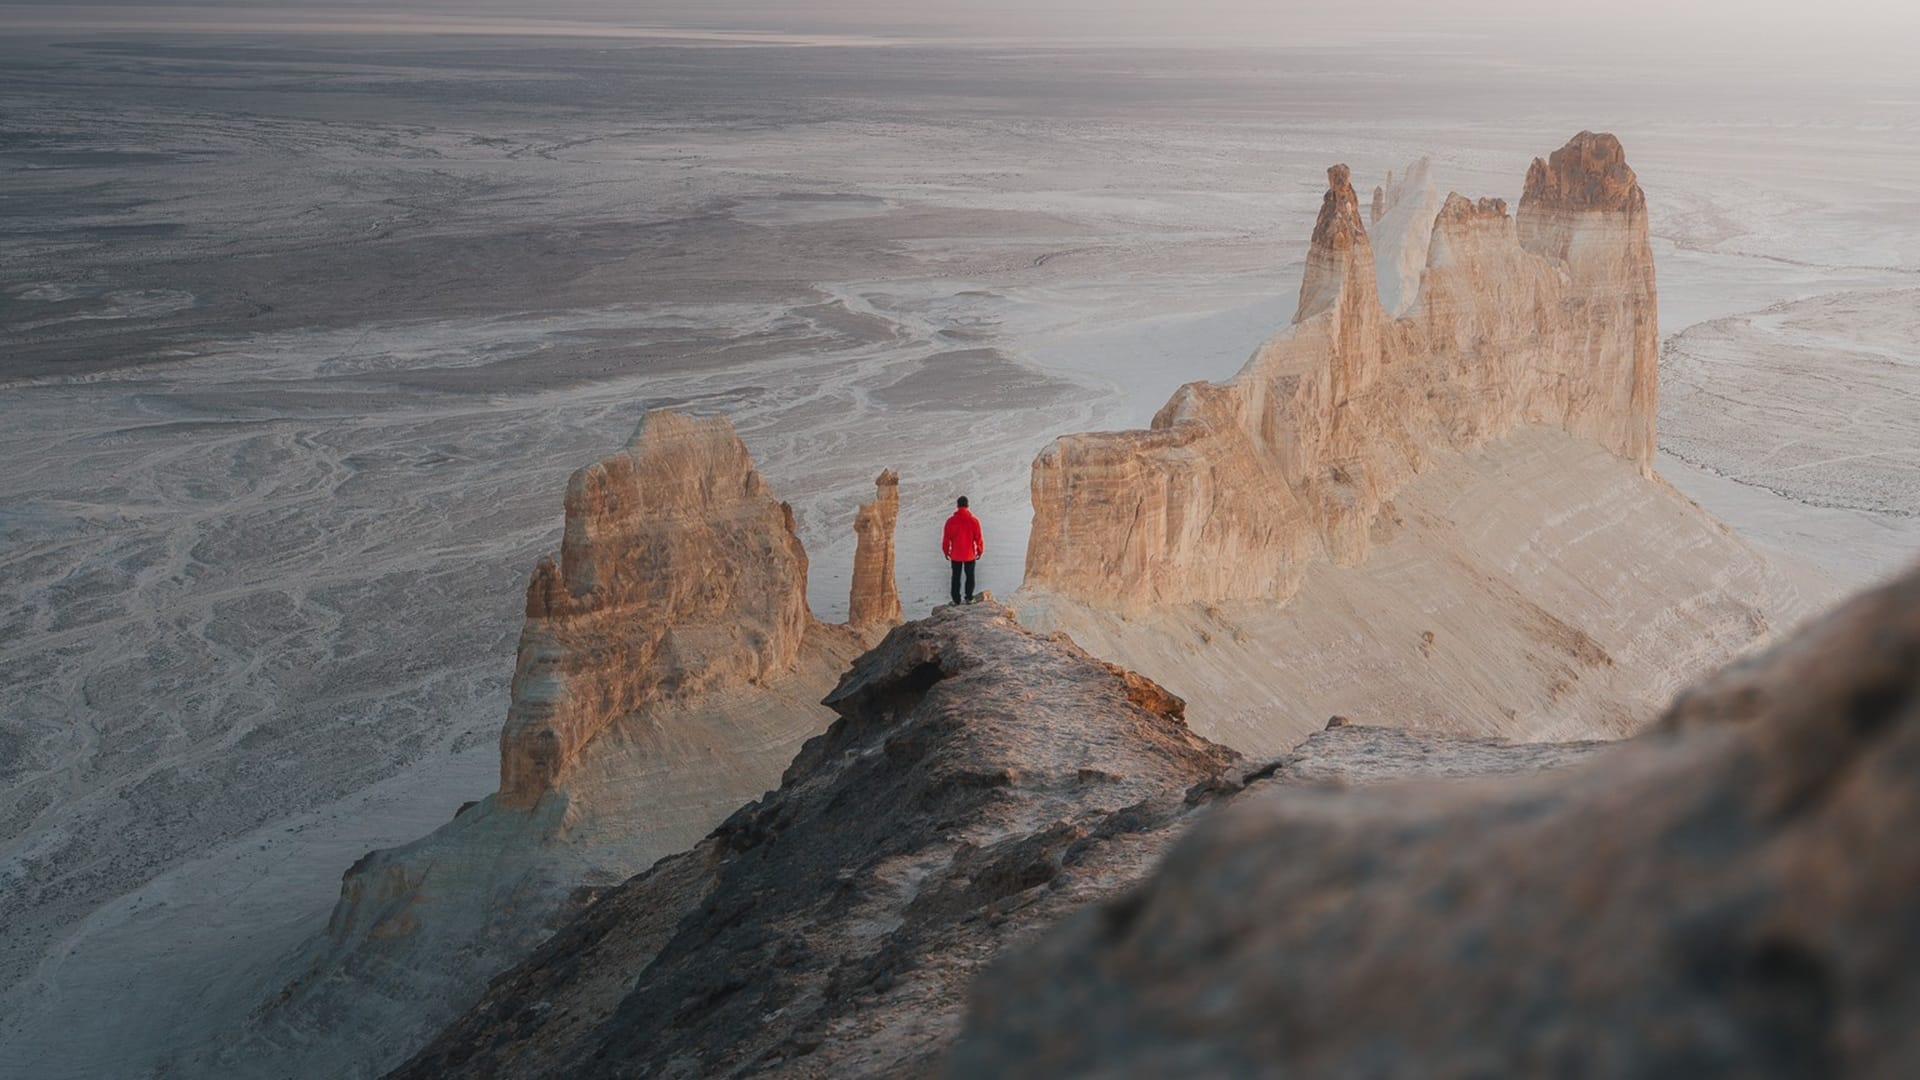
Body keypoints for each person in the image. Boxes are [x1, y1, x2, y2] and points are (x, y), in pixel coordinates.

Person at [942, 496, 984, 606]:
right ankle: (969, 598)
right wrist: (979, 550)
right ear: (967, 505)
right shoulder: (974, 521)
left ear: (957, 506)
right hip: (969, 555)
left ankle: (956, 600)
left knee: (956, 577)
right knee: (970, 576)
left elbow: (946, 539)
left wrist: (946, 552)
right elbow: (978, 538)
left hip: (956, 555)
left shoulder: (951, 521)